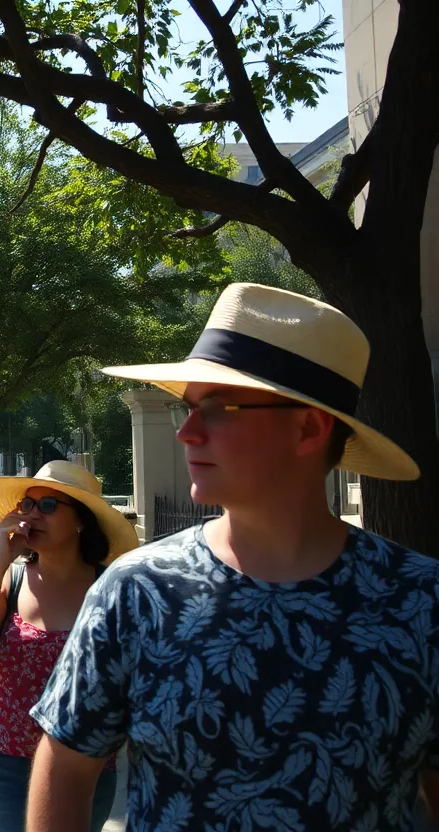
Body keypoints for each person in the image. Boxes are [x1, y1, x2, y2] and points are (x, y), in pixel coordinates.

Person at [26, 283, 437, 831]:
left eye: (217, 409)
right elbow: (65, 771)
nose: (186, 433)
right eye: (188, 409)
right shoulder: (138, 591)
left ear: (308, 427)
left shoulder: (419, 601)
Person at [0, 462, 137, 832]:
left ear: (81, 522)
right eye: (27, 505)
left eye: (48, 505)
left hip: (84, 765)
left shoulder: (112, 590)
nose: (32, 515)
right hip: (4, 761)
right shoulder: (12, 579)